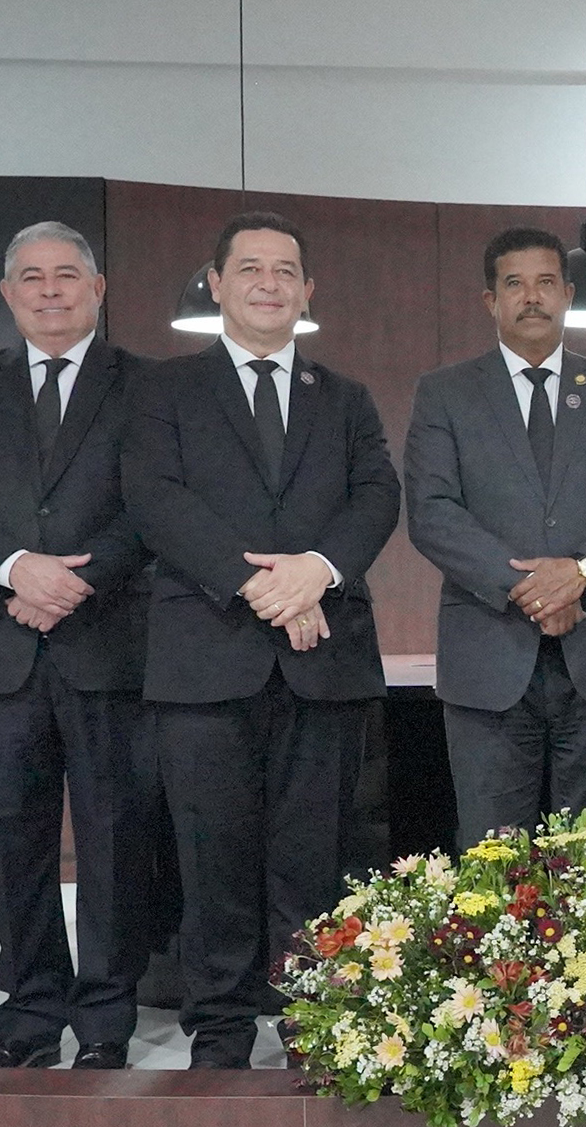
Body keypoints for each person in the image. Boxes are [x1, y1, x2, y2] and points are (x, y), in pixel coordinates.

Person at [123, 212, 400, 1069]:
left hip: (323, 666)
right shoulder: (165, 389)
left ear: (308, 290)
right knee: (212, 858)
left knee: (316, 859)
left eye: (285, 270)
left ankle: (313, 1021)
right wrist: (265, 588)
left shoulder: (345, 397)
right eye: (250, 268)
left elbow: (375, 497)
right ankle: (220, 1029)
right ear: (216, 283)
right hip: (205, 663)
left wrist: (317, 570)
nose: (268, 283)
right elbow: (156, 498)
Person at [0, 223, 154, 1069]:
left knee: (113, 840)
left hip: (108, 641)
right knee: (9, 840)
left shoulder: (148, 385)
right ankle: (29, 1013)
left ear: (97, 288)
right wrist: (16, 569)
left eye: (66, 275)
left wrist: (76, 582)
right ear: (8, 294)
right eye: (31, 277)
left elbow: (159, 502)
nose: (49, 290)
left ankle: (106, 1019)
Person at [404, 226, 586, 838]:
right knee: (493, 856)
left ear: (568, 294)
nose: (532, 297)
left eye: (546, 282)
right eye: (514, 284)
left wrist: (581, 574)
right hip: (488, 657)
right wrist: (535, 590)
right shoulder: (445, 393)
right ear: (490, 301)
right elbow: (432, 512)